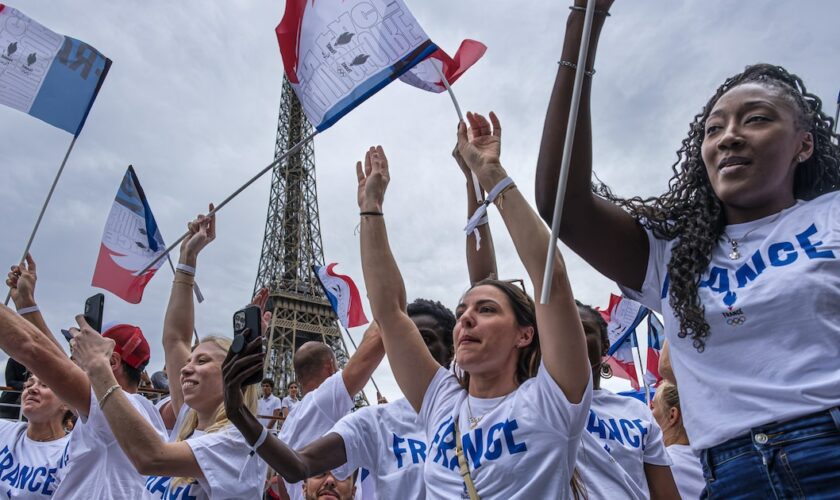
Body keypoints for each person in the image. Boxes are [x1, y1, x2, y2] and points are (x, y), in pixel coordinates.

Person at [536, 2, 840, 495]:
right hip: (730, 474)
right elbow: (561, 205)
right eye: (713, 129)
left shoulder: (831, 215)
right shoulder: (672, 252)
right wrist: (582, 27)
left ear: (803, 146)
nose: (730, 138)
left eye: (757, 120)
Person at [356, 112, 591, 498]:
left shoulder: (553, 400)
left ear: (525, 334)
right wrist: (371, 208)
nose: (466, 318)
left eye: (486, 310)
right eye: (463, 311)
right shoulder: (441, 404)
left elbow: (551, 275)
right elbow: (390, 313)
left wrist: (490, 174)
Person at [69, 206, 267, 500]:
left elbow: (150, 457)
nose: (186, 368)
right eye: (190, 361)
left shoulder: (236, 441)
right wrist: (187, 260)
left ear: (232, 373)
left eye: (202, 361)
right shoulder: (190, 424)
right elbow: (175, 339)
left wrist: (98, 367)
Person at [222, 298, 456, 500]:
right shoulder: (352, 413)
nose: (414, 348)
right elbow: (367, 352)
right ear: (332, 366)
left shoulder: (297, 421)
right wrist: (388, 308)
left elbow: (286, 477)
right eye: (413, 339)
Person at [1, 254, 167, 499]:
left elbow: (36, 351)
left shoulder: (121, 407)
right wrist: (26, 305)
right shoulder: (118, 407)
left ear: (110, 361)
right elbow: (50, 359)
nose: (70, 356)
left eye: (78, 348)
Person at [224, 315, 385, 500]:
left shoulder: (288, 425)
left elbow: (283, 484)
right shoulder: (324, 401)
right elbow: (372, 346)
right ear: (331, 367)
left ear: (298, 378)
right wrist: (387, 305)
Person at [575, 302, 677, 499]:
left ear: (605, 345)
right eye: (562, 331)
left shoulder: (636, 411)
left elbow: (666, 494)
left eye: (583, 329)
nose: (572, 337)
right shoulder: (537, 406)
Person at [0, 375, 71, 498]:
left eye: (44, 385)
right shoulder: (4, 431)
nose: (31, 389)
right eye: (28, 385)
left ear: (66, 403)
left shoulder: (72, 452)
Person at [652, 382, 704, 500]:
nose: (649, 413)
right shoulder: (714, 457)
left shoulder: (660, 466)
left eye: (653, 406)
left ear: (672, 415)